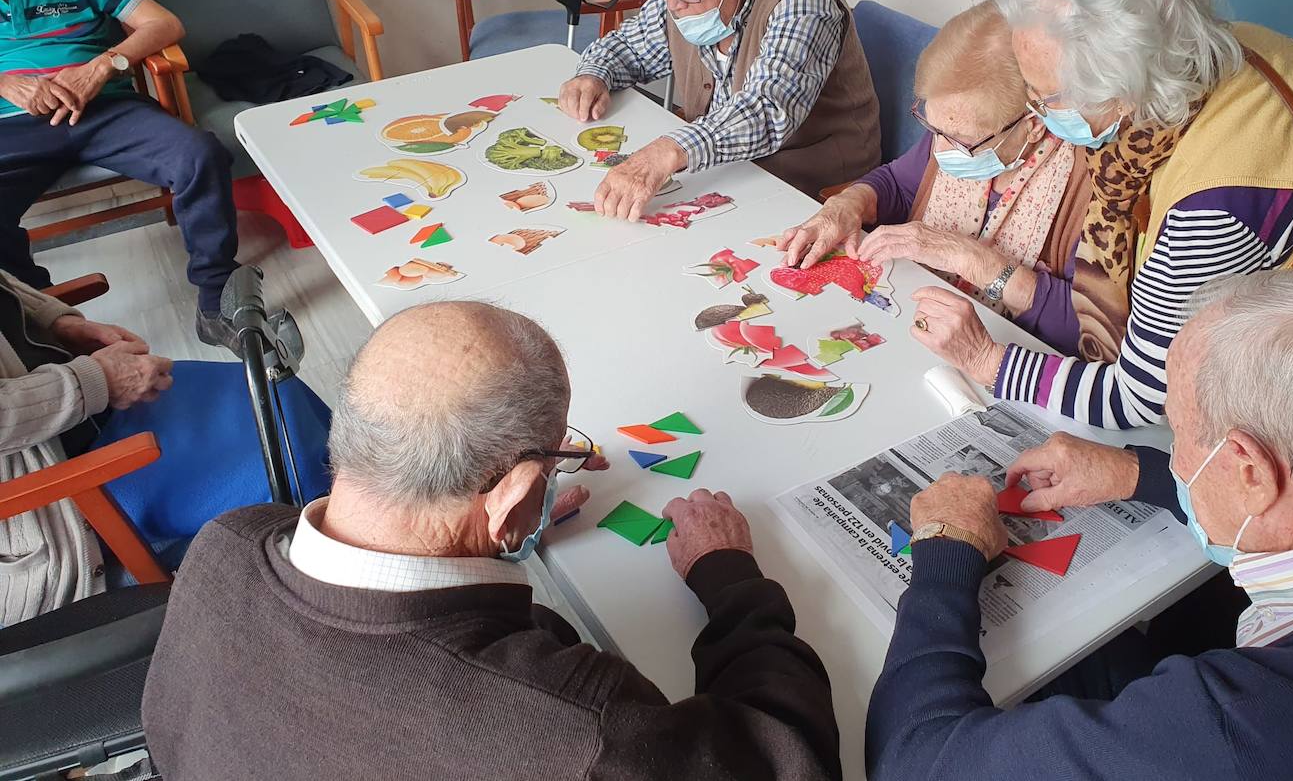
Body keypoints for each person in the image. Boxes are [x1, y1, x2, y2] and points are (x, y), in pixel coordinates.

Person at [143, 301, 841, 781]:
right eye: (553, 457)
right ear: (509, 494)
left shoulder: (225, 544)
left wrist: (503, 533)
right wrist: (732, 580)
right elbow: (785, 758)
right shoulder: (582, 730)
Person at [866, 266, 1293, 781]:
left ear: (1249, 472)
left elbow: (912, 761)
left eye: (1177, 431)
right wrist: (1137, 472)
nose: (1175, 455)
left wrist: (946, 547)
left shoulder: (1245, 725)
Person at [905, 0, 1293, 427]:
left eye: (1049, 100)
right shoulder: (1234, 44)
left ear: (1125, 88)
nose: (1039, 118)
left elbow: (1136, 399)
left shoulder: (1211, 209)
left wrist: (986, 360)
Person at [0, 0, 242, 351]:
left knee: (199, 155)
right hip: (14, 127)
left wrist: (103, 65)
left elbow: (164, 25)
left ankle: (216, 302)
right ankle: (46, 317)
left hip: (104, 107)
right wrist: (7, 83)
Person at [0, 270, 329, 625]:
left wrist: (56, 323)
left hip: (79, 415)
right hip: (49, 493)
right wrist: (93, 382)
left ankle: (341, 514)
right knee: (285, 451)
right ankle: (328, 570)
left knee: (277, 394)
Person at [776, 1, 1088, 352]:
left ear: (1031, 126)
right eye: (931, 128)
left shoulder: (1089, 185)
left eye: (960, 141)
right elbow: (897, 184)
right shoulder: (954, 127)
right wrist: (849, 203)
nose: (939, 152)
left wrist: (966, 257)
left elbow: (1084, 332)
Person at [558, 0, 879, 213]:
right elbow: (629, 48)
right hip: (728, 174)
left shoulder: (804, 2)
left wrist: (669, 151)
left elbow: (766, 111)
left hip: (812, 192)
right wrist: (593, 74)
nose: (672, 4)